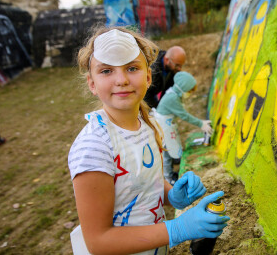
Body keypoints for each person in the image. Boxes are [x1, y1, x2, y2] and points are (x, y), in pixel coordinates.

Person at [68, 26, 229, 255]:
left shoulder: (148, 124)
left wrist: (172, 195)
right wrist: (177, 229)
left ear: (148, 76)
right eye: (106, 71)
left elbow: (145, 183)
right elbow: (98, 241)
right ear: (92, 83)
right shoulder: (93, 147)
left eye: (131, 68)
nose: (121, 80)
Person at [154, 71, 213, 184]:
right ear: (184, 88)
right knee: (166, 153)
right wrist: (201, 124)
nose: (190, 93)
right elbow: (184, 115)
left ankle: (170, 173)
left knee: (170, 149)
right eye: (190, 91)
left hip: (166, 125)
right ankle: (168, 178)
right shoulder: (172, 98)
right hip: (162, 127)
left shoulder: (174, 94)